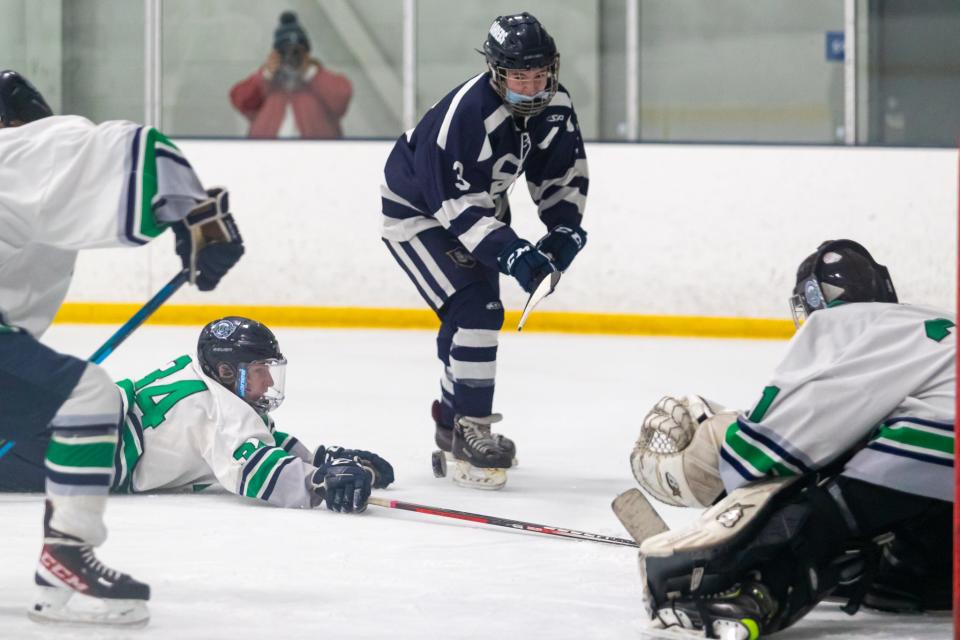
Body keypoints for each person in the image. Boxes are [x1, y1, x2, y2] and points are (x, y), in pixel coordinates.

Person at [0, 69, 244, 625]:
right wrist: (194, 213)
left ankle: (61, 570)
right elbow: (125, 151)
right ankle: (64, 562)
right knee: (84, 399)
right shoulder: (14, 149)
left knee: (75, 396)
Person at [628, 239, 954, 637]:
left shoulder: (839, 325)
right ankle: (925, 574)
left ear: (814, 299)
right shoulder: (924, 321)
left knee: (824, 505)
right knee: (896, 485)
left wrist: (710, 461)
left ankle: (752, 595)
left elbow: (763, 457)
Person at [379, 13, 588, 490]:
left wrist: (563, 230)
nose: (532, 86)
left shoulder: (556, 103)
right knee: (478, 309)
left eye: (539, 74)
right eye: (519, 75)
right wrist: (513, 252)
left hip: (480, 214)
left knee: (472, 315)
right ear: (496, 71)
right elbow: (453, 206)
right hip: (419, 216)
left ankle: (452, 422)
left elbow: (561, 173)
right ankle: (471, 427)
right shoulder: (467, 114)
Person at [2, 316, 394, 511]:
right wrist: (323, 481)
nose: (270, 384)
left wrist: (322, 459)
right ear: (227, 372)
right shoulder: (224, 417)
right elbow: (261, 471)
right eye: (260, 372)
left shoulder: (197, 373)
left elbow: (261, 440)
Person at [230, 10, 352, 139]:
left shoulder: (319, 82)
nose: (291, 57)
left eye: (297, 52)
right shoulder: (269, 85)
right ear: (276, 54)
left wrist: (310, 72)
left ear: (307, 54)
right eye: (285, 52)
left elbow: (341, 97)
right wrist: (265, 74)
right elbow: (241, 101)